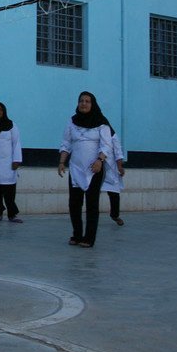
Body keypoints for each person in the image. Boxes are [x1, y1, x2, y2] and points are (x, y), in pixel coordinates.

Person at [58, 92, 112, 248]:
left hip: (94, 169)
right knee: (74, 204)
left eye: (87, 101)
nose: (84, 104)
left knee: (92, 204)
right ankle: (77, 234)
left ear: (93, 104)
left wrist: (100, 160)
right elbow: (66, 143)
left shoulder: (102, 123)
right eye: (81, 101)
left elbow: (106, 145)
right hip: (76, 168)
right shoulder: (72, 122)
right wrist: (62, 161)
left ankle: (89, 238)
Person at [102, 129, 126, 227]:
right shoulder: (95, 133)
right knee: (92, 193)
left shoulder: (113, 136)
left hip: (110, 168)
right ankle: (92, 214)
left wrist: (120, 166)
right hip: (96, 167)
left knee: (114, 193)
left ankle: (115, 215)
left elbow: (118, 152)